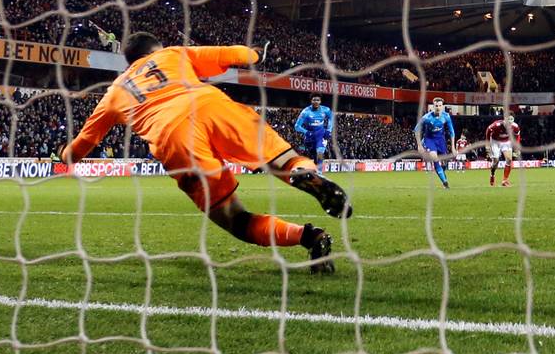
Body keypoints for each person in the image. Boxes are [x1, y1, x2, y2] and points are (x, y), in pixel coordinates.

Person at [57, 32, 351, 274]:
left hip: (173, 137)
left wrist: (63, 154)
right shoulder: (171, 54)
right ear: (155, 50)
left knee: (235, 218)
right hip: (211, 105)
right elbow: (232, 54)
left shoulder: (114, 93)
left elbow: (79, 147)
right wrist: (256, 54)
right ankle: (304, 174)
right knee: (283, 160)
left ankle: (308, 236)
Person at [414, 97, 455, 189]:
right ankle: (445, 182)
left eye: (440, 105)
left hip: (441, 140)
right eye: (436, 106)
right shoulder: (426, 118)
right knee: (434, 158)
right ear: (433, 106)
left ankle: (442, 174)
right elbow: (416, 130)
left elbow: (452, 132)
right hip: (429, 139)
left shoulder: (446, 116)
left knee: (444, 163)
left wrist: (453, 147)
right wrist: (419, 145)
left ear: (442, 106)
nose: (438, 107)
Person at [294, 94, 333, 173]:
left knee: (320, 152)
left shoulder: (326, 110)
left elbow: (331, 119)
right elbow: (297, 126)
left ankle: (319, 173)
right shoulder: (305, 112)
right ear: (311, 101)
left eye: (317, 100)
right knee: (314, 155)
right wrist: (307, 132)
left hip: (320, 134)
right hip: (310, 136)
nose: (316, 102)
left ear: (320, 101)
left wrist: (329, 130)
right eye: (314, 100)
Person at [486, 115, 520, 187]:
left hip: (506, 141)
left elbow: (517, 136)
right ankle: (492, 174)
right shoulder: (496, 125)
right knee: (496, 161)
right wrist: (487, 144)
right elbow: (488, 130)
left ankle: (505, 180)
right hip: (495, 141)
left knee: (509, 159)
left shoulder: (515, 126)